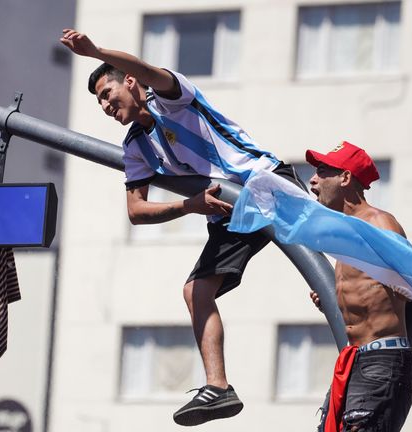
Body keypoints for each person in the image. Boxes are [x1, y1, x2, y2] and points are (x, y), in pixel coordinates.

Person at [60, 29, 307, 426]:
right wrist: (188, 205)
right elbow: (136, 211)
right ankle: (219, 388)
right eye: (99, 102)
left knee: (330, 256)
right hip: (229, 212)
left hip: (264, 184)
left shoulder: (173, 99)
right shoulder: (135, 144)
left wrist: (97, 52)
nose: (105, 105)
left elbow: (145, 69)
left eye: (107, 93)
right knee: (196, 290)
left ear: (129, 81)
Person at [305, 142, 412, 432]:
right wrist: (336, 300)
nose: (312, 180)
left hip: (382, 360)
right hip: (354, 361)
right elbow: (370, 291)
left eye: (322, 171)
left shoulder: (378, 223)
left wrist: (403, 287)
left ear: (345, 178)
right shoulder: (345, 232)